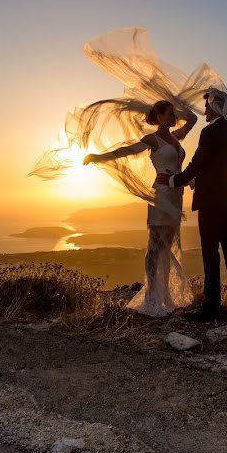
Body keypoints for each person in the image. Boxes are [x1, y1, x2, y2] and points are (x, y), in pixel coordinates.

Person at [84, 100, 198, 316]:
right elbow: (127, 151)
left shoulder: (176, 137)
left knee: (168, 246)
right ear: (160, 117)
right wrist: (98, 157)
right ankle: (151, 297)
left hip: (176, 195)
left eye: (174, 114)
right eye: (170, 114)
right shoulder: (152, 140)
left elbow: (193, 118)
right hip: (161, 195)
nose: (175, 117)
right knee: (155, 247)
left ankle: (165, 296)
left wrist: (173, 99)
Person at [156, 88, 227, 321]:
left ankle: (211, 307)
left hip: (210, 203)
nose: (204, 110)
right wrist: (196, 179)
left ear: (215, 107)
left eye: (207, 106)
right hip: (226, 200)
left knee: (210, 254)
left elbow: (198, 163)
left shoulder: (210, 133)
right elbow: (216, 167)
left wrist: (173, 180)